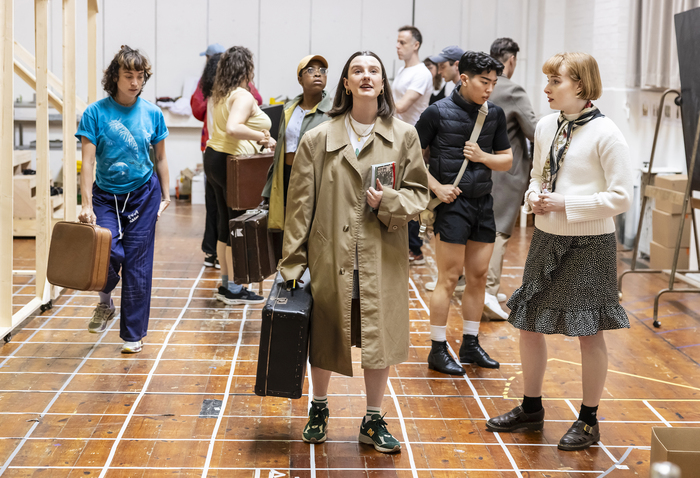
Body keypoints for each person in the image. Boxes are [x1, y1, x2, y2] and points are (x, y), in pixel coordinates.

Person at [279, 51, 429, 453]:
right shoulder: (318, 139)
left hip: (383, 254)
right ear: (345, 83)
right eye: (357, 71)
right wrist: (292, 263)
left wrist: (389, 202)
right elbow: (299, 208)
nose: (366, 76)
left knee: (378, 335)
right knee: (326, 332)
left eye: (374, 71)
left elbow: (420, 195)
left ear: (383, 83)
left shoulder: (404, 136)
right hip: (331, 255)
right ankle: (319, 407)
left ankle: (373, 418)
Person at [486, 52, 632, 451]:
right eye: (547, 79)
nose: (546, 88)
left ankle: (588, 420)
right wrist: (534, 196)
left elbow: (622, 198)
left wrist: (566, 204)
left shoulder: (607, 133)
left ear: (581, 87)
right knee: (529, 323)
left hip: (589, 243)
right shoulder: (548, 125)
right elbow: (537, 175)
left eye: (556, 81)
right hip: (548, 237)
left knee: (588, 332)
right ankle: (531, 408)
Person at [415, 51, 512, 375]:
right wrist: (437, 188)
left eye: (494, 83)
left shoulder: (494, 114)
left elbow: (506, 160)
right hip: (451, 205)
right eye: (484, 82)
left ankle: (470, 343)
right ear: (464, 78)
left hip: (483, 203)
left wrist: (483, 156)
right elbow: (411, 158)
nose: (489, 89)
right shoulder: (436, 112)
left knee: (479, 276)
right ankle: (437, 348)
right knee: (449, 276)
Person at [76, 45, 170, 354]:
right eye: (127, 75)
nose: (134, 82)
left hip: (144, 194)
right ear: (114, 77)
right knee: (107, 253)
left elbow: (161, 158)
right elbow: (87, 162)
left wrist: (167, 195)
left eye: (139, 76)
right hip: (105, 196)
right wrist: (86, 204)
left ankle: (133, 335)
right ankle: (105, 303)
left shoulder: (153, 114)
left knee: (137, 265)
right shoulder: (95, 113)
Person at [203, 45, 273, 305]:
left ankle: (226, 284)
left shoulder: (222, 93)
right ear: (248, 69)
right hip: (230, 163)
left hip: (215, 158)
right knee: (235, 226)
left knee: (224, 224)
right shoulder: (242, 95)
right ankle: (234, 288)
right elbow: (234, 128)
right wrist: (264, 138)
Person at [483, 38, 538, 321]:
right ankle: (488, 293)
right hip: (506, 174)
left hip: (477, 169)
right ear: (511, 60)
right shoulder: (513, 90)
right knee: (499, 233)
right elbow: (534, 131)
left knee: (480, 230)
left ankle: (476, 285)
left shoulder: (479, 86)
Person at [262, 54, 332, 232]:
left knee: (310, 226)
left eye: (322, 71)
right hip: (286, 174)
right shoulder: (288, 109)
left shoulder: (332, 113)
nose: (318, 74)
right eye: (310, 70)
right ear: (300, 78)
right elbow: (282, 149)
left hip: (314, 178)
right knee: (286, 226)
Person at [393, 25, 433, 265]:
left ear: (415, 45)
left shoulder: (421, 73)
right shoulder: (402, 70)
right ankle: (407, 244)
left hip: (415, 138)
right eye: (397, 42)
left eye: (402, 42)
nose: (398, 46)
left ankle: (415, 249)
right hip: (399, 136)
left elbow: (401, 106)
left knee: (410, 191)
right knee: (398, 189)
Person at [191, 48, 223, 269]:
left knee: (212, 202)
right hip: (226, 151)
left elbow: (196, 109)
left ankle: (211, 253)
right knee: (225, 205)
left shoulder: (207, 86)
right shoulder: (237, 89)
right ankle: (221, 253)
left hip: (209, 150)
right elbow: (257, 99)